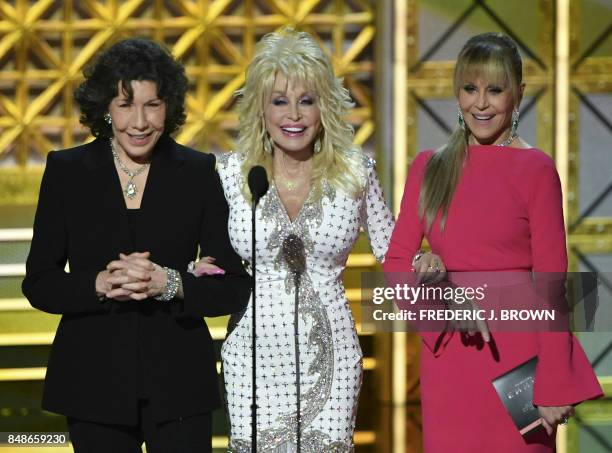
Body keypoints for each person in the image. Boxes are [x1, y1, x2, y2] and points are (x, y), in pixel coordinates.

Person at [192, 28, 442, 451]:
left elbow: (393, 252)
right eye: (280, 101)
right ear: (260, 109)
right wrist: (195, 268)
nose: (294, 115)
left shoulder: (355, 172)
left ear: (324, 106)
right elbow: (206, 255)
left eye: (306, 100)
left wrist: (426, 261)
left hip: (333, 355)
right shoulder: (231, 174)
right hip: (252, 355)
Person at [22, 38, 251, 453]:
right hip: (93, 382)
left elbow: (232, 284)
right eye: (126, 105)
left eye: (153, 104)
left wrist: (172, 283)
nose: (140, 121)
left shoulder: (198, 172)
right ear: (105, 109)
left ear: (170, 107)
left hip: (179, 382)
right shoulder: (66, 172)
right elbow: (39, 282)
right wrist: (98, 284)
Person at [384, 32, 603, 452]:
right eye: (470, 88)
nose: (480, 103)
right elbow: (396, 259)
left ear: (517, 94)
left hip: (521, 362)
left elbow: (552, 283)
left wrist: (555, 383)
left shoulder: (535, 169)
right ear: (457, 92)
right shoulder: (430, 167)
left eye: (495, 90)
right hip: (450, 358)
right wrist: (446, 304)